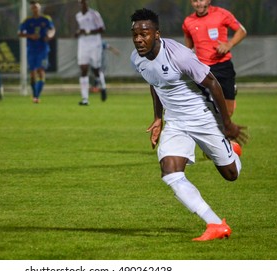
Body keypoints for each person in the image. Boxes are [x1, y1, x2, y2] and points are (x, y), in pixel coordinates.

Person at [130, 8, 248, 241]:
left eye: (144, 34)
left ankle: (231, 150)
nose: (138, 39)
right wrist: (158, 117)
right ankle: (215, 224)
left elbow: (213, 83)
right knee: (170, 172)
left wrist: (227, 124)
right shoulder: (136, 59)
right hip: (175, 121)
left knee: (231, 175)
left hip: (203, 117)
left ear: (157, 34)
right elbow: (155, 83)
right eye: (134, 34)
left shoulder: (179, 55)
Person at [182, 0, 247, 117]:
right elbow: (189, 46)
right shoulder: (188, 21)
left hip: (223, 66)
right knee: (202, 110)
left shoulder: (222, 14)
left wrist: (229, 44)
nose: (199, 4)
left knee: (228, 112)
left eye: (201, 0)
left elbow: (242, 31)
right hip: (202, 69)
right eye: (195, 1)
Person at [18, 1, 56, 104]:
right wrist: (30, 36)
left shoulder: (46, 19)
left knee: (40, 70)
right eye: (33, 8)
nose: (35, 9)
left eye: (37, 7)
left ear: (39, 8)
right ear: (31, 9)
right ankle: (34, 94)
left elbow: (52, 30)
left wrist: (49, 35)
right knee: (32, 73)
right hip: (31, 49)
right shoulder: (27, 21)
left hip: (43, 48)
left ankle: (36, 96)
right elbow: (20, 33)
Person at [75, 0, 107, 105]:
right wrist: (78, 33)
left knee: (96, 69)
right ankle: (85, 99)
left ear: (87, 3)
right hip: (83, 43)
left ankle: (103, 87)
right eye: (80, 2)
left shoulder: (94, 14)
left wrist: (87, 31)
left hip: (95, 43)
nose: (82, 4)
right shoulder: (78, 16)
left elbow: (102, 29)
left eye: (84, 2)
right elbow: (81, 29)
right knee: (83, 69)